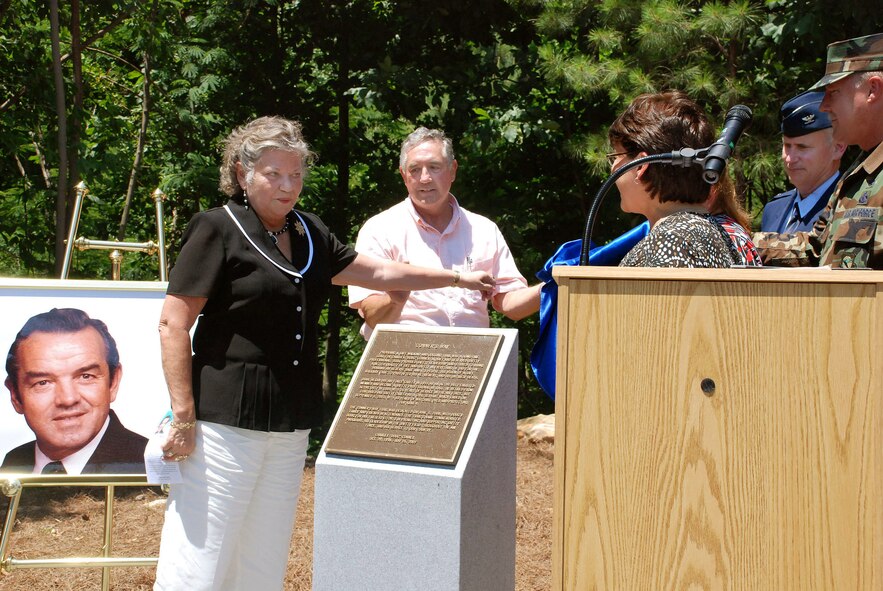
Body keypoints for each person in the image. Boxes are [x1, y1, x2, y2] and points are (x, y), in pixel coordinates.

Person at [153, 116, 495, 591]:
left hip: (291, 419)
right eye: (274, 174)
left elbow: (379, 273)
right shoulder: (216, 228)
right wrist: (183, 416)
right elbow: (173, 323)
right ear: (241, 173)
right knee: (201, 562)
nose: (288, 186)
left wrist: (455, 278)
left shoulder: (310, 230)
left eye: (296, 175)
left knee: (263, 560)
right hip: (224, 420)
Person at [347, 127, 542, 340]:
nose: (424, 178)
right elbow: (372, 317)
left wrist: (557, 285)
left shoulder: (484, 230)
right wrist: (396, 299)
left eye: (434, 167)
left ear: (453, 171)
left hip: (472, 360)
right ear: (404, 176)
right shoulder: (379, 230)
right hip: (404, 360)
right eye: (414, 169)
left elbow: (511, 306)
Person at [755, 32, 883, 268]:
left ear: (872, 90)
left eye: (833, 93)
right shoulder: (859, 175)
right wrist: (739, 241)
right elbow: (816, 248)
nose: (824, 106)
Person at [607, 91, 761, 268]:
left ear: (641, 165)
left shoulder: (671, 240)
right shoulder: (722, 231)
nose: (613, 168)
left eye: (616, 156)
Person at [2, 308, 147, 475]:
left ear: (113, 383)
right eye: (43, 382)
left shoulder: (154, 469)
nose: (68, 399)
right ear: (15, 395)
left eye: (86, 376)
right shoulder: (12, 464)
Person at [760, 90, 846, 233]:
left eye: (802, 147)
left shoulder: (848, 210)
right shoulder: (774, 209)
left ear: (838, 148)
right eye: (787, 146)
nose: (790, 158)